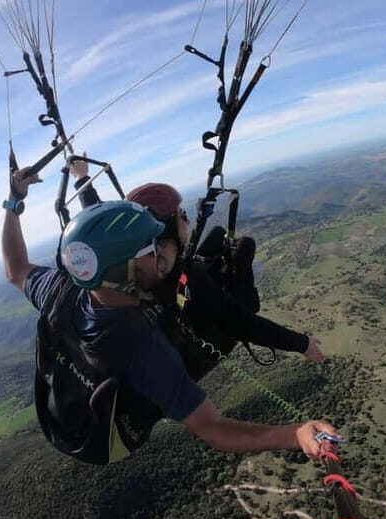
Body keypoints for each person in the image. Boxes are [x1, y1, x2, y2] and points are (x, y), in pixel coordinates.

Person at [2, 167, 339, 463]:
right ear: (125, 270)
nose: (161, 251)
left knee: (216, 255)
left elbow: (16, 270)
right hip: (101, 441)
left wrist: (14, 201)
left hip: (58, 411)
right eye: (152, 248)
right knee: (229, 303)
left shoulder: (63, 289)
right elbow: (214, 429)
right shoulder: (145, 352)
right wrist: (294, 434)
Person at [69, 159, 324, 382]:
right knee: (243, 250)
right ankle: (239, 281)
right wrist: (303, 344)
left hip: (178, 311)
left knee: (219, 237)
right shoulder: (193, 277)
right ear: (165, 227)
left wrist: (81, 178)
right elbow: (244, 323)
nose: (187, 218)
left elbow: (104, 232)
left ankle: (229, 268)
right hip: (200, 341)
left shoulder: (130, 266)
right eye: (181, 214)